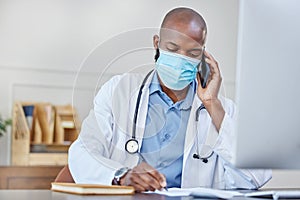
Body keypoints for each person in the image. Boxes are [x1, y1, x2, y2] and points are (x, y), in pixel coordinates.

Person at [68, 7, 271, 192]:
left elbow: (255, 177)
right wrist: (122, 175)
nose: (181, 58)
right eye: (173, 49)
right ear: (157, 43)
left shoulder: (221, 110)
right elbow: (83, 151)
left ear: (203, 56)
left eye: (192, 52)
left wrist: (212, 104)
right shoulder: (119, 91)